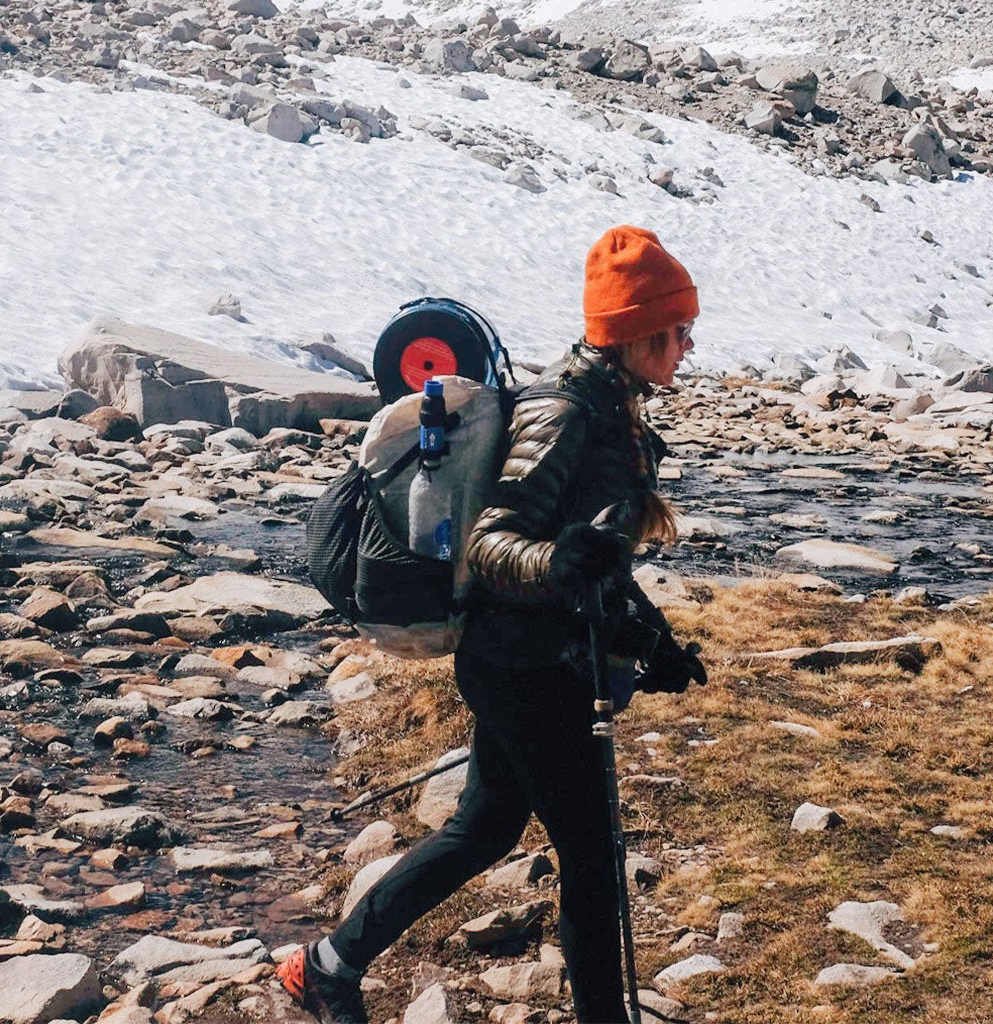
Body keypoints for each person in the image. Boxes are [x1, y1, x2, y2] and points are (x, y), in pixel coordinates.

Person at [280, 225, 710, 1024]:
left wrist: (655, 643)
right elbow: (492, 542)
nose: (689, 346)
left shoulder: (612, 402)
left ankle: (326, 966)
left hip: (525, 659)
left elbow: (597, 554)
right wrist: (557, 563)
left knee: (483, 831)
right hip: (527, 671)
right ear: (637, 331)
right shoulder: (565, 412)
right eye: (680, 331)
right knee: (590, 863)